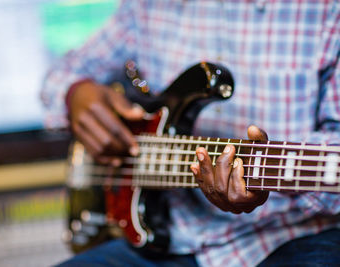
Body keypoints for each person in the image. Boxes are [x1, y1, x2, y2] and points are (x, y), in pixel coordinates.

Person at [41, 1, 340, 266]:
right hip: (169, 238)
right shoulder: (146, 6)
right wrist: (76, 94)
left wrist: (266, 172)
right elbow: (61, 73)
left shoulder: (328, 11)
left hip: (290, 235)